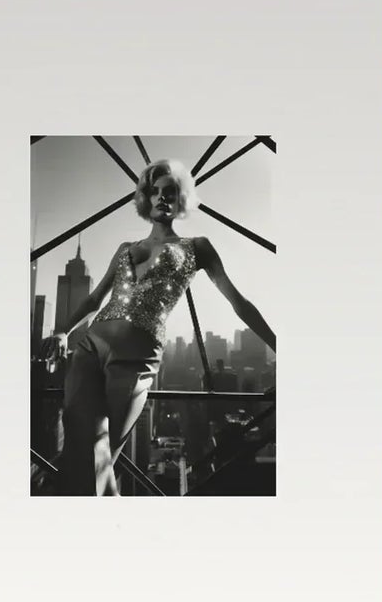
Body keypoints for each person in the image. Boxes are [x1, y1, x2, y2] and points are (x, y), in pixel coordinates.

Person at [51, 158, 275, 496]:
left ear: (181, 197)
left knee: (100, 456)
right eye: (152, 192)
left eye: (168, 191)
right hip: (89, 347)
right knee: (78, 451)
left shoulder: (197, 247)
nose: (160, 197)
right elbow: (95, 299)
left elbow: (237, 302)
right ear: (144, 198)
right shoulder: (126, 248)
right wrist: (62, 331)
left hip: (136, 356)